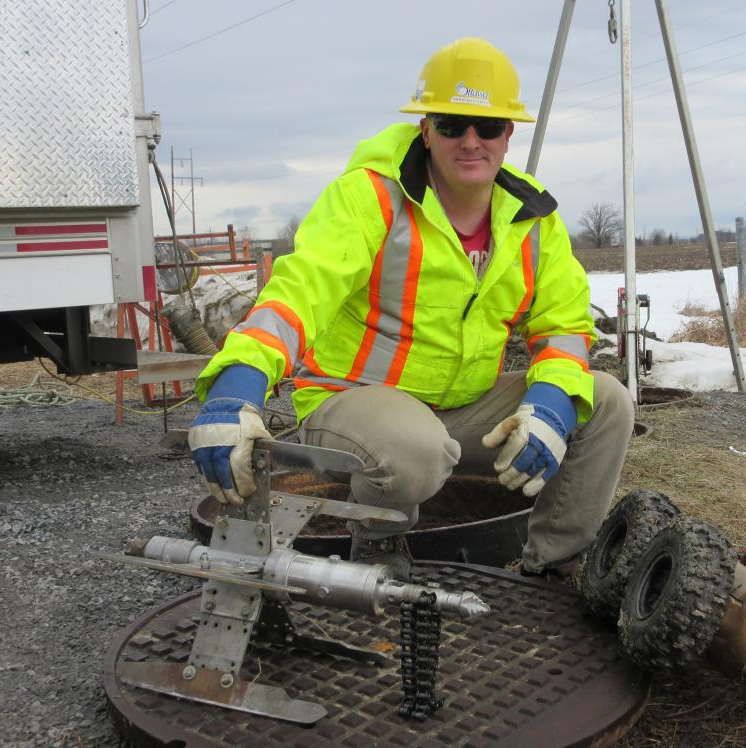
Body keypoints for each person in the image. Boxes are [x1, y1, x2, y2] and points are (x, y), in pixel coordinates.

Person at [188, 37, 634, 581]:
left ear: (508, 135)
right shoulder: (370, 198)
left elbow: (563, 325)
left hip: (461, 411)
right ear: (426, 129)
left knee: (606, 401)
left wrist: (550, 405)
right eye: (451, 124)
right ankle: (379, 543)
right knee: (413, 449)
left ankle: (555, 563)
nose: (471, 141)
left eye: (488, 127)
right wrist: (239, 383)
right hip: (353, 404)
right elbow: (301, 292)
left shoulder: (532, 219)